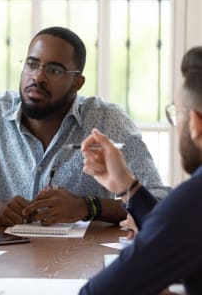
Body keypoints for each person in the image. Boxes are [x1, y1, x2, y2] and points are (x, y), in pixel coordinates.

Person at [0, 26, 168, 226]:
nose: (38, 77)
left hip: (81, 260)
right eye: (32, 64)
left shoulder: (107, 120)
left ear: (77, 83)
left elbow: (157, 201)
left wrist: (88, 207)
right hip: (9, 256)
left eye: (54, 70)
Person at [79, 47, 202, 294]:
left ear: (195, 124)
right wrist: (127, 186)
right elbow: (174, 233)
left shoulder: (194, 201)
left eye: (177, 114)